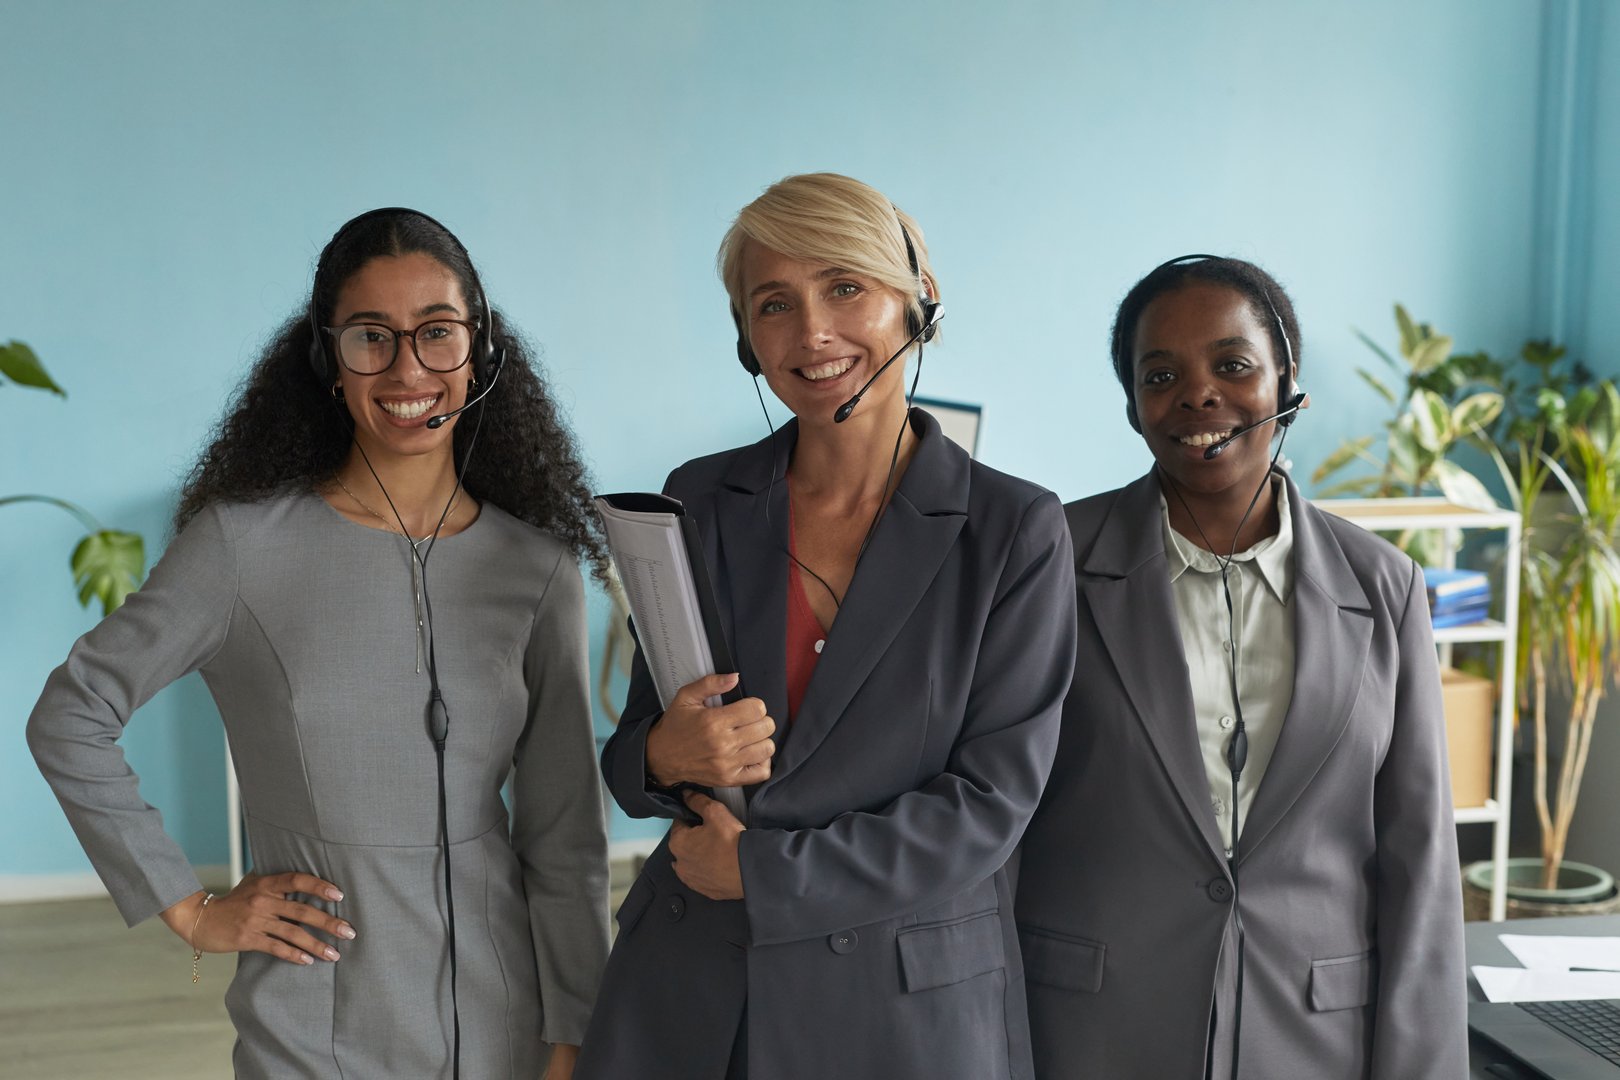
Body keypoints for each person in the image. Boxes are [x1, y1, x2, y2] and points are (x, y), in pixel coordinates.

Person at [27, 208, 611, 1079]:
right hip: (316, 1029)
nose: (408, 368)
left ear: (479, 349)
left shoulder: (535, 569)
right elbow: (72, 714)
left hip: (508, 1025)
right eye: (371, 336)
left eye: (437, 333)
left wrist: (572, 1034)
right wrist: (190, 908)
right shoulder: (241, 548)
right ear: (326, 359)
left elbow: (565, 837)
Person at [573, 173, 1077, 1080]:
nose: (811, 332)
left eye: (845, 286)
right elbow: (636, 753)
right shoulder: (702, 499)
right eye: (775, 304)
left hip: (900, 1008)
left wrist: (767, 875)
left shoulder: (1015, 530)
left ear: (917, 300)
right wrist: (662, 756)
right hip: (694, 996)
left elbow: (990, 805)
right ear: (745, 339)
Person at [1014, 255, 1467, 1079]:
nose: (1198, 394)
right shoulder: (1050, 561)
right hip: (1088, 1034)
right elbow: (996, 824)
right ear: (1132, 406)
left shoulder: (1384, 584)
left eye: (1233, 364)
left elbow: (1420, 858)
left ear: (1287, 380)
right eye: (1161, 374)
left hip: (1315, 1040)